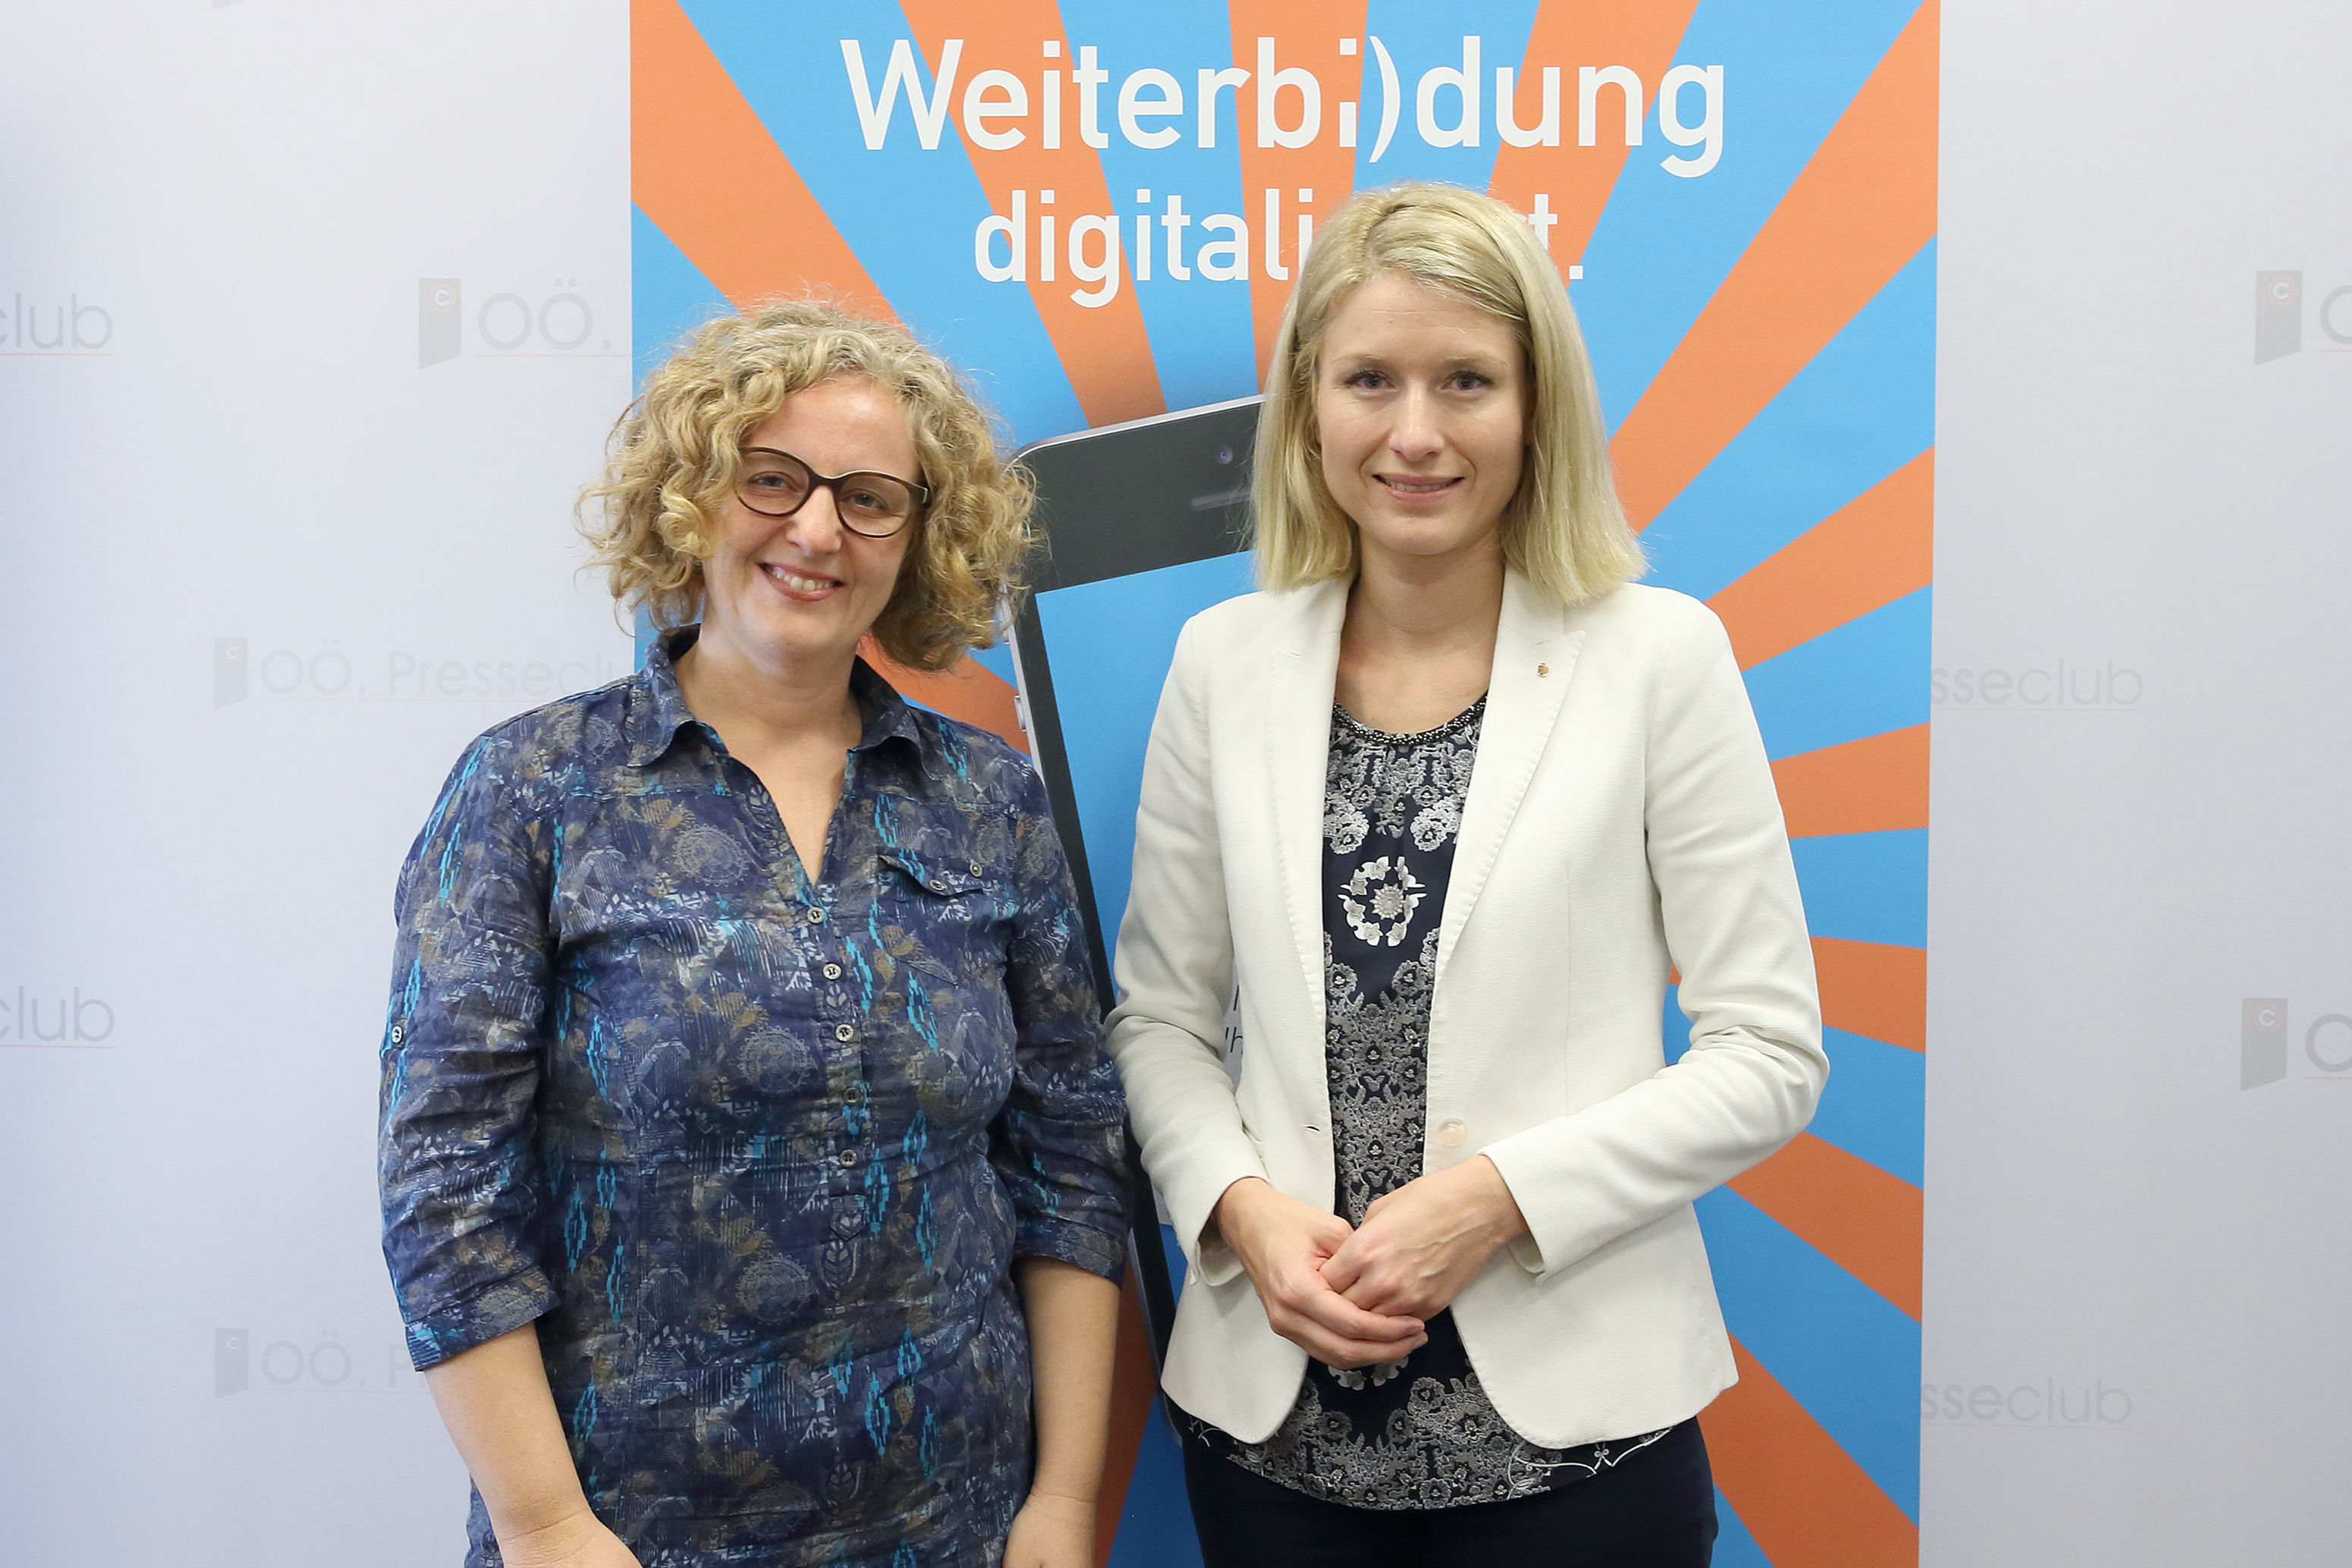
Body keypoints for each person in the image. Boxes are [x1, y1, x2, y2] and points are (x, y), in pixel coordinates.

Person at [1105, 183, 1826, 1565]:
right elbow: (1160, 1023)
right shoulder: (1221, 663)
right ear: (1308, 407)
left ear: (1537, 407)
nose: (1416, 432)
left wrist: (1494, 1200)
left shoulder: (1661, 659)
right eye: (1370, 379)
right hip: (1275, 1447)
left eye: (1467, 381)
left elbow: (1768, 1053)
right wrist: (1245, 1215)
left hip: (1578, 1451)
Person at [378, 300, 1130, 1568]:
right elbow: (446, 1187)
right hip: (625, 1534)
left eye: (870, 499)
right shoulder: (531, 791)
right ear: (691, 496)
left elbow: (1072, 1162)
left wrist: (1061, 1501)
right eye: (771, 480)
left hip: (955, 1524)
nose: (818, 531)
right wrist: (544, 1524)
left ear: (919, 537)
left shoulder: (989, 801)